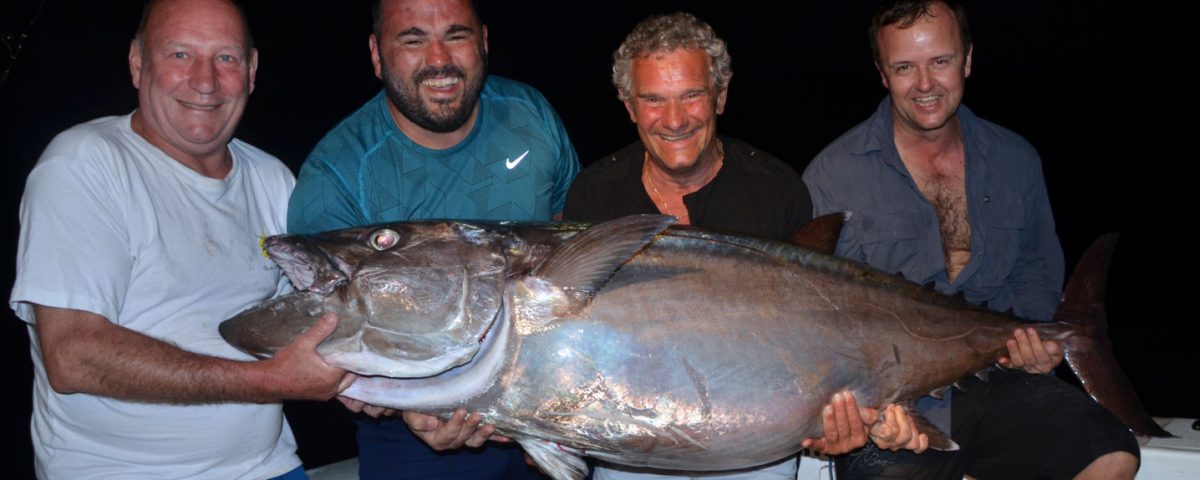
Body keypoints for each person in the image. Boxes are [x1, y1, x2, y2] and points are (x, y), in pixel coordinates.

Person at [563, 12, 927, 480]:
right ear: (629, 105)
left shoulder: (777, 190)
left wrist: (832, 416)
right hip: (636, 441)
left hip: (760, 441)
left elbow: (819, 340)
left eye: (692, 95)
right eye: (653, 100)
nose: (674, 120)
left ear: (721, 96)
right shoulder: (593, 196)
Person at [8, 0, 354, 478]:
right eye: (179, 55)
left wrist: (376, 386)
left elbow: (303, 327)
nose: (206, 81)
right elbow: (72, 356)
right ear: (136, 63)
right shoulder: (84, 164)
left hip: (265, 466)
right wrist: (267, 381)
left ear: (251, 71)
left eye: (227, 58)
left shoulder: (273, 179)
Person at [802, 0, 1140, 478]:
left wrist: (1036, 342)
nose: (924, 84)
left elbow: (1033, 271)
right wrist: (865, 412)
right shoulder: (833, 176)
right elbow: (820, 323)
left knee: (1113, 453)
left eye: (939, 61)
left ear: (967, 60)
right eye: (904, 67)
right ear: (882, 74)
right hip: (893, 405)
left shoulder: (1015, 159)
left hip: (997, 376)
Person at [286, 0, 580, 478]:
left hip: (550, 395)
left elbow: (572, 235)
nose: (439, 59)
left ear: (483, 42)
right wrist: (405, 407)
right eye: (414, 38)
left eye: (456, 35)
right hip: (415, 431)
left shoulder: (531, 115)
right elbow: (325, 336)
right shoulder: (336, 173)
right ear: (377, 55)